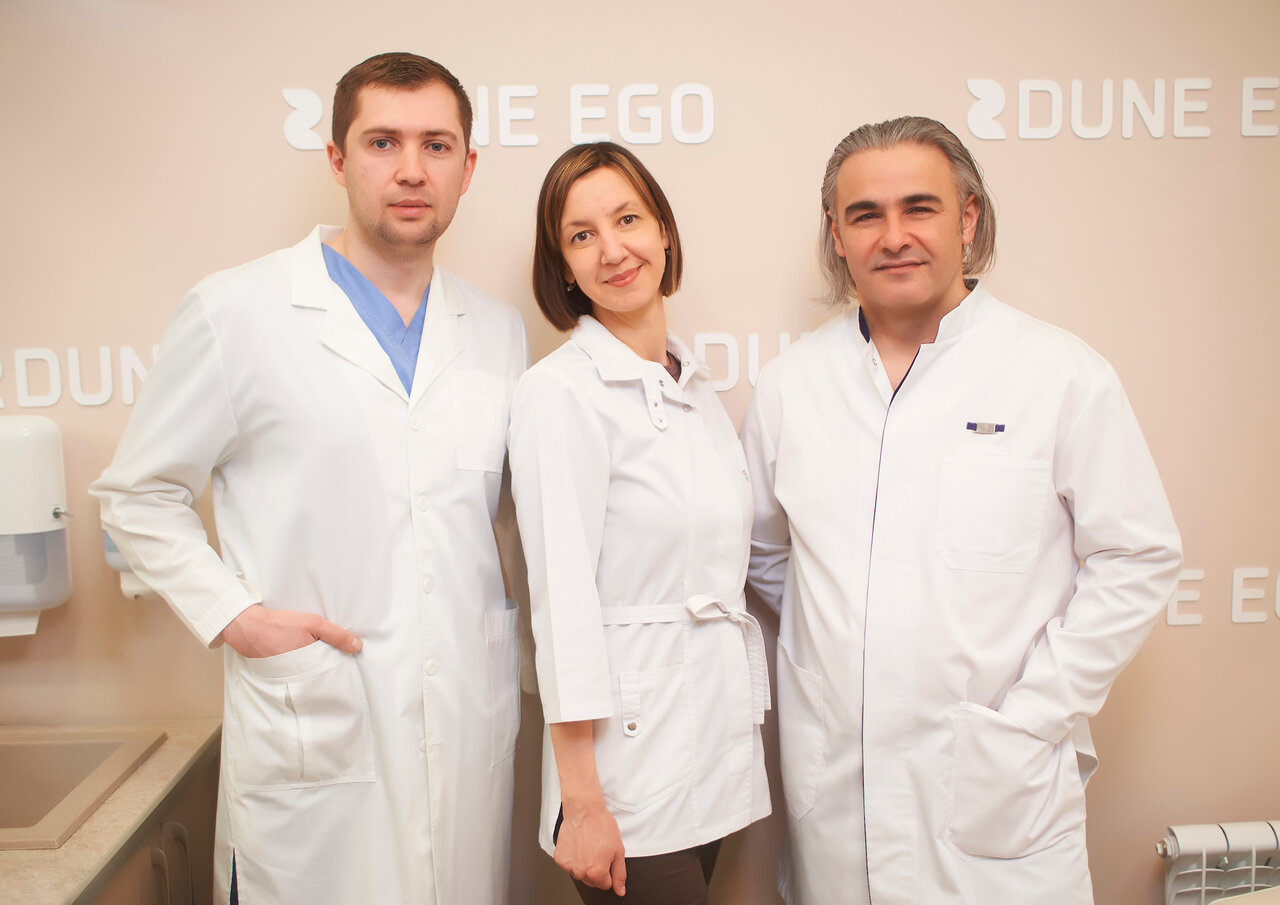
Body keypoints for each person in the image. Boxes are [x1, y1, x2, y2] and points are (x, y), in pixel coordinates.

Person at [90, 52, 528, 905]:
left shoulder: (497, 331)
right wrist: (238, 618)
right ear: (337, 158)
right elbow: (137, 495)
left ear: (468, 167)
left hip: (463, 726)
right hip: (317, 726)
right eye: (383, 142)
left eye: (437, 145)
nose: (412, 169)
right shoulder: (236, 312)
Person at [739, 116, 1182, 904]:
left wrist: (1035, 713)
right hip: (838, 795)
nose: (894, 236)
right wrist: (850, 637)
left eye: (920, 207)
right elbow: (768, 554)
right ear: (836, 234)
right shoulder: (790, 387)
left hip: (996, 789)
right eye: (865, 215)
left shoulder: (1058, 374)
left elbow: (1136, 556)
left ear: (968, 218)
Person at [508, 142, 771, 905]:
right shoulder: (560, 393)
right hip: (623, 773)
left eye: (627, 220)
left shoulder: (694, 388)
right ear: (562, 267)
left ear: (664, 231)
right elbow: (562, 607)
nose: (613, 250)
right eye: (582, 235)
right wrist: (582, 802)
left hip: (710, 747)